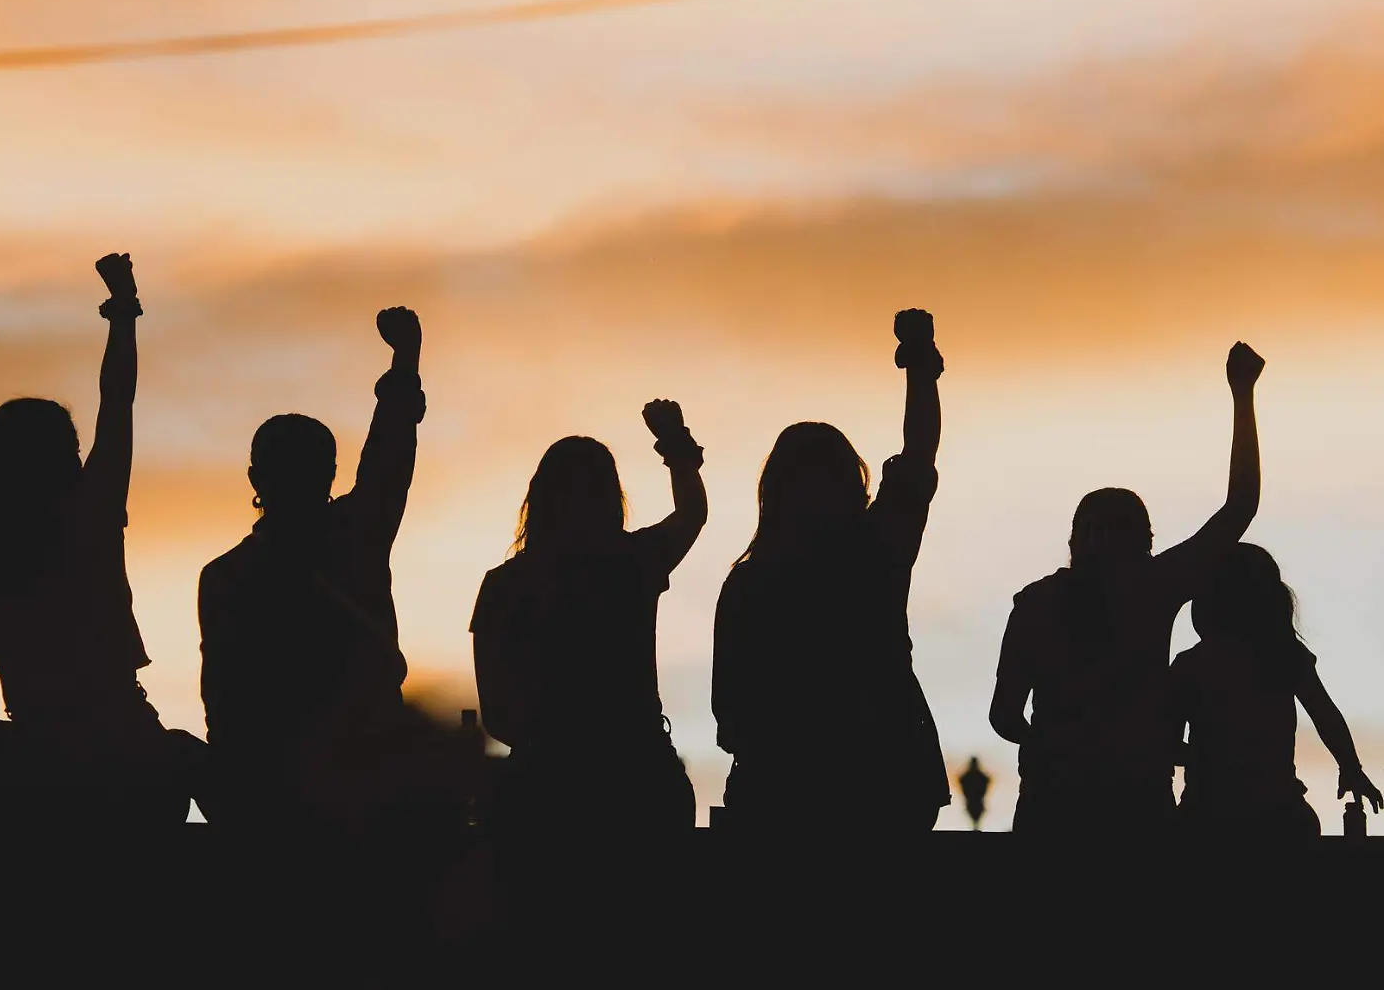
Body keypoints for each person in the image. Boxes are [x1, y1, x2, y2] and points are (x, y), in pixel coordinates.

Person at [0, 253, 199, 823]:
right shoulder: (89, 515)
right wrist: (123, 312)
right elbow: (118, 402)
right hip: (129, 754)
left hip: (40, 769)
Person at [991, 342, 1264, 837]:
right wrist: (1242, 396)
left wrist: (1054, 744)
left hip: (1066, 797)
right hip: (1120, 794)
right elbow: (1239, 507)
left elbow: (1005, 714)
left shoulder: (1042, 603)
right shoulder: (1150, 589)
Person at [713, 309, 950, 833]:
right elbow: (918, 455)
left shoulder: (761, 578)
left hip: (815, 785)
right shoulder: (871, 552)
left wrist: (919, 370)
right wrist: (919, 368)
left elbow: (729, 711)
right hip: (868, 780)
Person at [199, 305, 426, 830]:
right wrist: (405, 360)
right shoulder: (357, 535)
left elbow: (222, 705)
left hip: (279, 788)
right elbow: (390, 454)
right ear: (331, 473)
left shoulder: (225, 576)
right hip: (360, 777)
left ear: (255, 477)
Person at [470, 402, 706, 833]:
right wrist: (675, 443)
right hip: (639, 783)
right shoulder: (634, 561)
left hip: (544, 793)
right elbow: (692, 513)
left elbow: (497, 713)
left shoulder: (505, 584)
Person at [1170, 543, 1382, 837]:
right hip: (1281, 813)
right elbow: (1325, 714)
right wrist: (1351, 768)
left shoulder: (1191, 666)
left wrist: (1208, 757)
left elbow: (1165, 744)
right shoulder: (1285, 655)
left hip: (1208, 813)